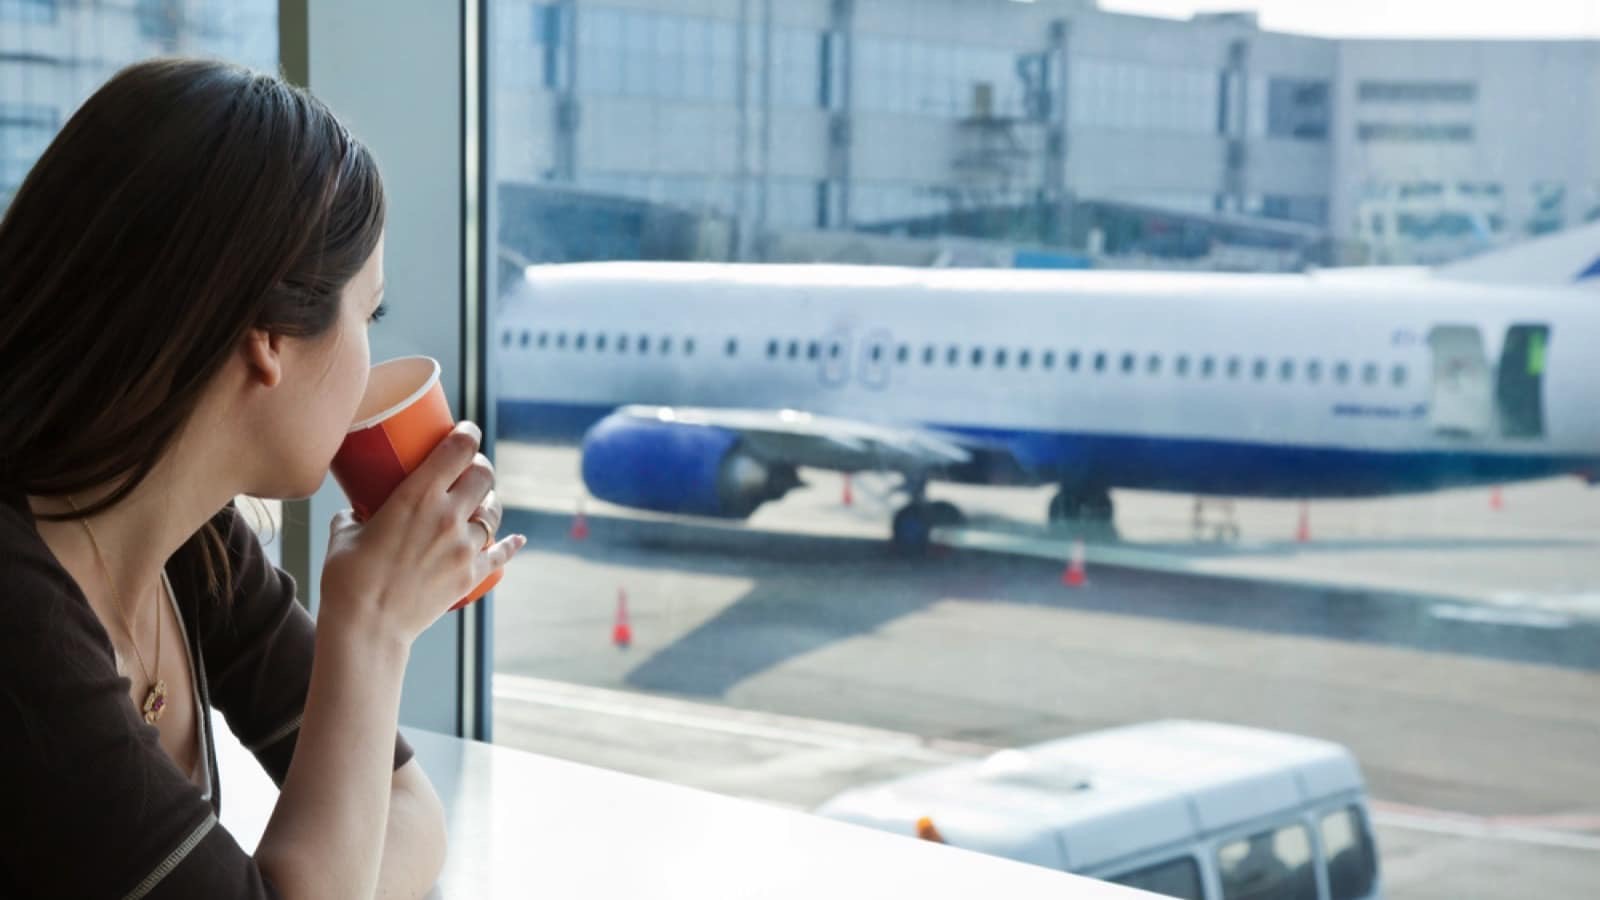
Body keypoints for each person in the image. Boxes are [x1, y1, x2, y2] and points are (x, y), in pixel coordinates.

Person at [0, 58, 526, 898]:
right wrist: (372, 629)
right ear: (269, 341)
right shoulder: (21, 626)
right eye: (369, 313)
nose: (370, 357)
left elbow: (406, 809)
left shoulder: (186, 537)